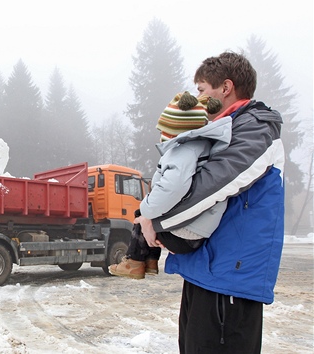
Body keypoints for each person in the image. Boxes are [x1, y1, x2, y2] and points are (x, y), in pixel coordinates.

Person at [138, 51, 284, 353]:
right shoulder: (225, 130)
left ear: (226, 88)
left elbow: (211, 187)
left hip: (229, 277)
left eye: (202, 89)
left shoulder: (255, 129)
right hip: (208, 269)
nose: (198, 98)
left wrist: (155, 221)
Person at [108, 91, 231, 279]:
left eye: (163, 130)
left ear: (176, 130)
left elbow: (173, 187)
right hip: (199, 227)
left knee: (141, 215)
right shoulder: (201, 146)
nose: (161, 135)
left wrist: (146, 208)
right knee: (147, 215)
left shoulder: (184, 149)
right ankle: (148, 262)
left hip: (187, 233)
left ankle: (134, 261)